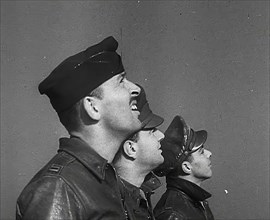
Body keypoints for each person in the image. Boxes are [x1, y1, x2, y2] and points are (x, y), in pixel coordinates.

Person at [16, 36, 142, 220]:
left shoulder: (105, 179)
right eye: (121, 81)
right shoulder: (57, 187)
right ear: (92, 107)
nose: (135, 89)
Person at [113, 84, 165, 220]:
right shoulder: (114, 205)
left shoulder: (136, 195)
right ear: (131, 149)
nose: (162, 136)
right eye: (152, 131)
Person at [153, 115, 214, 220]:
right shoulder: (173, 214)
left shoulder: (195, 201)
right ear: (187, 167)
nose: (209, 154)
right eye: (201, 152)